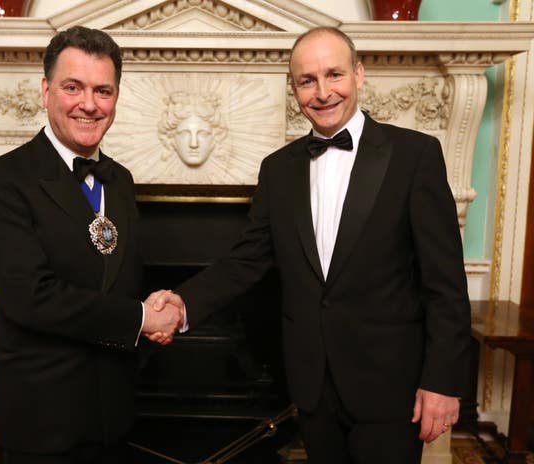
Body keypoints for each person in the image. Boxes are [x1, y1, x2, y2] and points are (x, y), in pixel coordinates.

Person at [153, 26, 471, 463]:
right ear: (293, 88)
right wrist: (181, 305)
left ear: (359, 74)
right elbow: (246, 261)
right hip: (313, 386)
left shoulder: (415, 156)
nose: (322, 92)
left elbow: (446, 284)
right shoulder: (278, 170)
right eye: (307, 80)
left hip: (391, 389)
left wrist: (442, 381)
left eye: (334, 75)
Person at [0, 26, 182, 464]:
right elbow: (30, 298)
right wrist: (142, 317)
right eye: (73, 87)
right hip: (39, 420)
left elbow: (118, 278)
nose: (89, 104)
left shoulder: (120, 181)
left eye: (103, 90)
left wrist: (167, 305)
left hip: (114, 412)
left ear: (116, 98)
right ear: (46, 90)